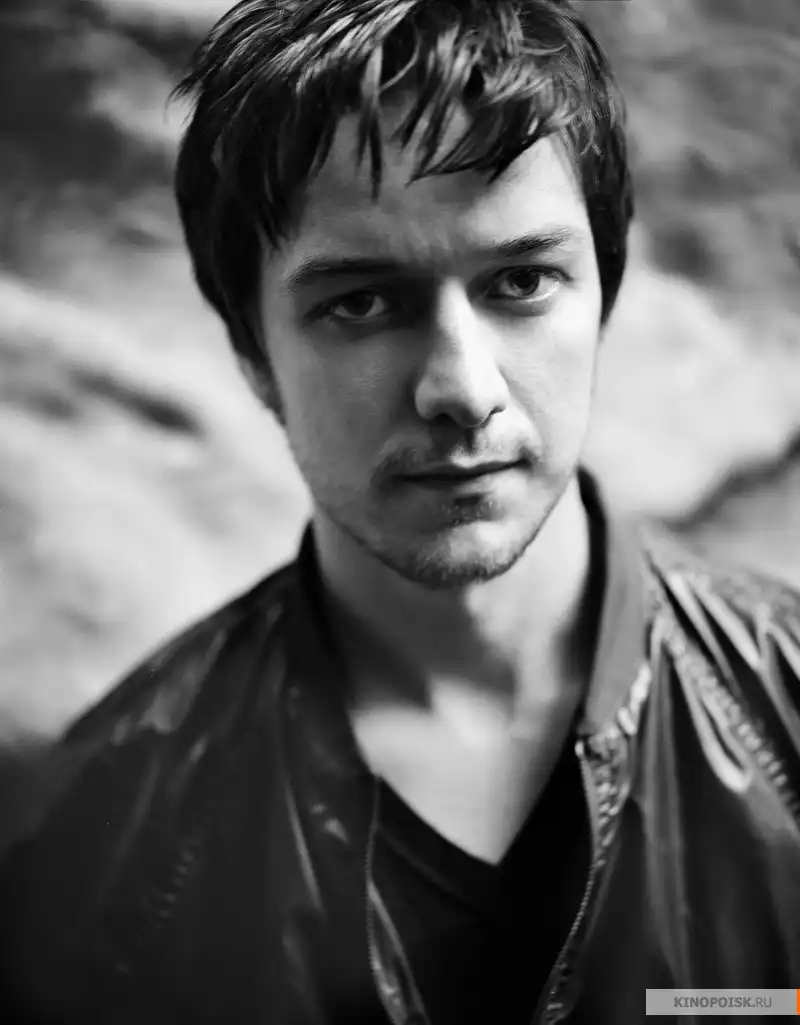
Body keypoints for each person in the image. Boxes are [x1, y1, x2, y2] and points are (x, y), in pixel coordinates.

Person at [2, 0, 800, 1022]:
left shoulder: (782, 715)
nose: (462, 389)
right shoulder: (97, 852)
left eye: (521, 280)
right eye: (361, 302)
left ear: (601, 295)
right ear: (252, 355)